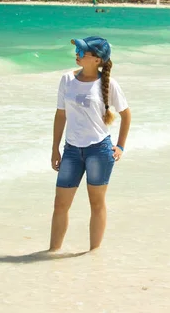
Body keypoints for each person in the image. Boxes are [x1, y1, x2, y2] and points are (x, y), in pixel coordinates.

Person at [49, 36, 131, 252]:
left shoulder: (109, 84)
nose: (78, 53)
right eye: (78, 50)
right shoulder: (67, 80)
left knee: (96, 204)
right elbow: (60, 115)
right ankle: (52, 253)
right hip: (71, 152)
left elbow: (126, 114)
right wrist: (55, 148)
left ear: (97, 60)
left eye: (83, 51)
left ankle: (93, 254)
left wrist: (121, 146)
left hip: (99, 152)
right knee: (60, 204)